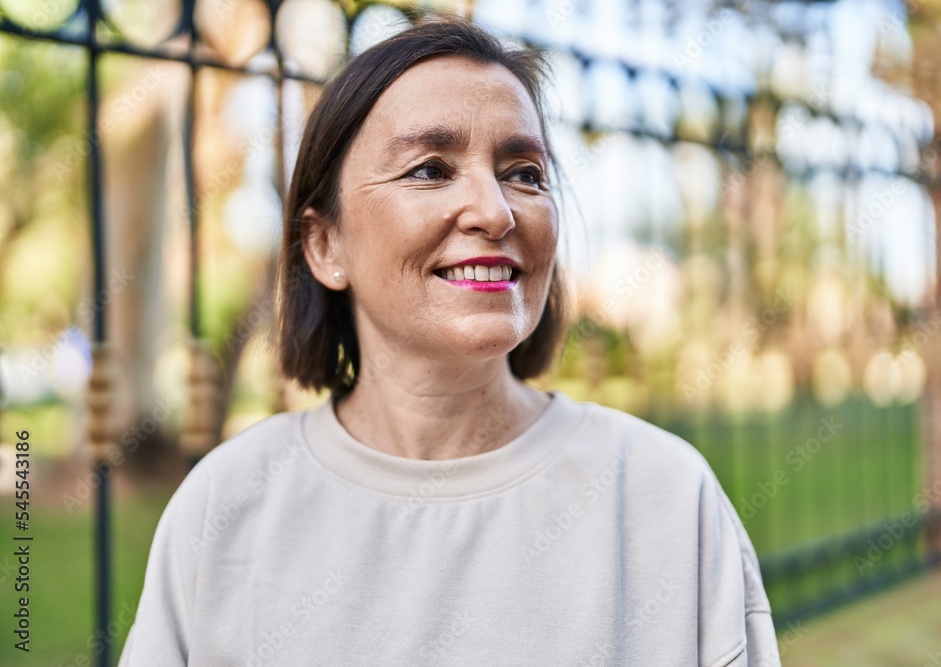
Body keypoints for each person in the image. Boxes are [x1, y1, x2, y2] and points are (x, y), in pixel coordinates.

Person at [120, 14, 780, 666]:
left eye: (524, 171)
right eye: (431, 169)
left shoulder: (663, 497)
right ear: (325, 244)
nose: (495, 211)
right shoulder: (226, 507)